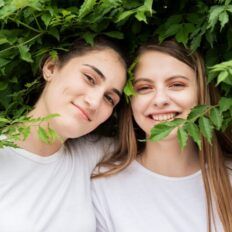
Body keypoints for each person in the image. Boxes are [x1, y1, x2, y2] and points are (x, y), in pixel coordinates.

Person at [91, 40, 232, 232]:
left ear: (202, 94)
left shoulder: (227, 177)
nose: (160, 100)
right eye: (144, 88)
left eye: (176, 84)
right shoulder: (104, 185)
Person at [0, 37, 127, 232]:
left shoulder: (90, 155)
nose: (94, 102)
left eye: (109, 98)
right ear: (51, 68)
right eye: (89, 78)